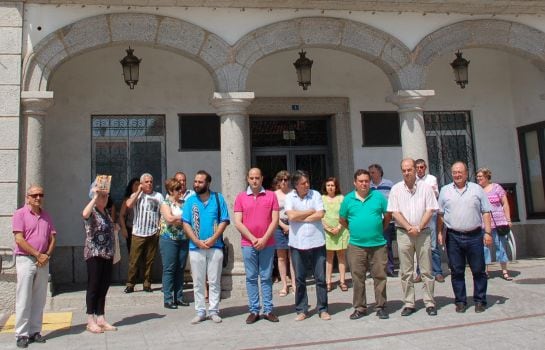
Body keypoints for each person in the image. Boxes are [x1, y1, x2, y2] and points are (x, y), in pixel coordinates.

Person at [438, 161, 493, 313]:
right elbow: (441, 215)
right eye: (454, 172)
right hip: (453, 236)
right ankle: (460, 301)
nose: (457, 175)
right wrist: (440, 232)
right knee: (456, 271)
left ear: (466, 173)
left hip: (475, 235)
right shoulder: (445, 190)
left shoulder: (477, 189)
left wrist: (487, 233)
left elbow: (486, 212)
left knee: (479, 270)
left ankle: (480, 300)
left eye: (460, 172)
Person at [388, 158, 439, 317]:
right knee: (406, 271)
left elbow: (430, 209)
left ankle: (429, 302)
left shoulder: (426, 188)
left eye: (409, 169)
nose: (406, 172)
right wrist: (409, 227)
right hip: (404, 233)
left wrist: (418, 227)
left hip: (422, 232)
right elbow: (394, 212)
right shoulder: (396, 189)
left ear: (415, 170)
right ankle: (409, 303)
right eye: (404, 170)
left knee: (426, 270)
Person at [340, 169, 391, 320]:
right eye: (361, 181)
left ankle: (381, 306)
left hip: (378, 244)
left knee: (380, 276)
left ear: (370, 182)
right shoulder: (348, 199)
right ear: (355, 183)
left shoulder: (378, 197)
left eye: (366, 181)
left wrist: (380, 228)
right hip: (356, 245)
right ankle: (360, 307)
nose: (364, 183)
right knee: (357, 277)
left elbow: (388, 215)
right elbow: (342, 219)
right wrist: (354, 228)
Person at [182, 170, 230, 324]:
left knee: (214, 280)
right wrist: (196, 240)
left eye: (200, 182)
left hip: (215, 246)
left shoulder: (218, 198)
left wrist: (213, 238)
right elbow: (186, 223)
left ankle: (214, 310)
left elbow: (224, 220)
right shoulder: (190, 200)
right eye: (195, 181)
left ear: (208, 183)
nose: (196, 184)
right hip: (195, 247)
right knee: (198, 281)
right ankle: (200, 310)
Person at [12, 185, 56, 348]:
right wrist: (38, 255)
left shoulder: (46, 216)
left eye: (41, 195)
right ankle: (22, 334)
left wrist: (46, 255)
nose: (38, 197)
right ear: (28, 197)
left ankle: (35, 331)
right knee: (24, 297)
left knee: (40, 298)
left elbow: (52, 238)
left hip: (43, 260)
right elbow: (19, 239)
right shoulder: (20, 214)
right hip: (26, 259)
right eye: (34, 195)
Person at [234, 168, 280, 324]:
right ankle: (254, 310)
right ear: (247, 179)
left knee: (267, 277)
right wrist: (254, 239)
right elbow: (237, 222)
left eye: (257, 178)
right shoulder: (240, 197)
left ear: (262, 179)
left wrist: (264, 238)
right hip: (248, 243)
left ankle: (268, 310)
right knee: (251, 277)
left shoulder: (271, 195)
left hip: (267, 243)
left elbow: (274, 220)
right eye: (252, 178)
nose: (254, 180)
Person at [285, 170, 330, 321]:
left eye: (307, 182)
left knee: (321, 278)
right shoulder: (289, 197)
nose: (307, 185)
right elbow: (291, 216)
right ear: (296, 185)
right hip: (297, 243)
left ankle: (322, 308)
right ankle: (302, 309)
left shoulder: (315, 194)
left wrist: (301, 215)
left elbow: (320, 214)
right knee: (299, 278)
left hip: (317, 241)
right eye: (303, 183)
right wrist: (310, 211)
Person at [82, 185, 118, 333]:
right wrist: (95, 197)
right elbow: (84, 214)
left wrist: (115, 227)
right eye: (102, 196)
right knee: (94, 285)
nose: (105, 198)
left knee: (104, 285)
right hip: (94, 253)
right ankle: (90, 319)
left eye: (106, 195)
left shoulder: (106, 213)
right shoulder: (93, 211)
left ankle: (101, 317)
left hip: (107, 253)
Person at [124, 173, 164, 293]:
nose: (149, 184)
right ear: (141, 184)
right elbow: (129, 205)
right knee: (134, 260)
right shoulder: (136, 195)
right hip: (138, 232)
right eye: (146, 182)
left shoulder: (158, 196)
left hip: (152, 232)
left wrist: (160, 226)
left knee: (149, 260)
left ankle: (147, 283)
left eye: (151, 181)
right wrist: (138, 192)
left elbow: (163, 212)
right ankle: (130, 284)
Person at [476, 168, 513, 281]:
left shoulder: (497, 188)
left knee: (500, 245)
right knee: (484, 247)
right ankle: (485, 271)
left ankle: (505, 270)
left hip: (498, 223)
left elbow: (505, 203)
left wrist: (508, 219)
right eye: (477, 177)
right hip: (483, 223)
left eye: (480, 177)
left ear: (487, 177)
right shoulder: (477, 190)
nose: (478, 179)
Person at [159, 178, 191, 309]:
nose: (180, 191)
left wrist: (179, 219)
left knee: (180, 268)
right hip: (168, 239)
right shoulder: (165, 203)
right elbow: (169, 218)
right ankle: (168, 298)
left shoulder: (185, 203)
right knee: (169, 268)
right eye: (177, 189)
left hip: (183, 238)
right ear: (171, 191)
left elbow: (189, 219)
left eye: (181, 188)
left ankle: (179, 297)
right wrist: (181, 219)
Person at [415, 159, 445, 282]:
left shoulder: (431, 178)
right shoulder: (413, 179)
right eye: (417, 167)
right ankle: (419, 273)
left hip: (431, 213)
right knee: (418, 245)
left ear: (425, 167)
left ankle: (437, 271)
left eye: (422, 167)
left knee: (432, 245)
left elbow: (435, 194)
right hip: (418, 214)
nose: (419, 169)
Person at [321, 177, 349, 292]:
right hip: (327, 232)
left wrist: (338, 227)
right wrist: (327, 228)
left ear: (336, 187)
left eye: (332, 185)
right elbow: (320, 215)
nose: (330, 187)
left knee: (341, 256)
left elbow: (345, 214)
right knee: (329, 257)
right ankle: (328, 281)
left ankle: (342, 281)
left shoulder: (341, 198)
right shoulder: (321, 198)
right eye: (328, 185)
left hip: (340, 230)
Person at [368, 164, 396, 277]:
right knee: (372, 246)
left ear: (380, 172)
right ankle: (374, 269)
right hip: (372, 221)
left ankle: (389, 268)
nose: (370, 174)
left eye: (373, 172)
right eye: (370, 172)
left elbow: (394, 200)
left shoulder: (389, 184)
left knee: (387, 244)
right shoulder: (368, 186)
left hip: (386, 220)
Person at [273, 170, 296, 297]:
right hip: (279, 226)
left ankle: (294, 284)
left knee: (293, 257)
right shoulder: (274, 195)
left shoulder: (294, 193)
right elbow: (273, 213)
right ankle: (284, 285)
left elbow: (297, 209)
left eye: (286, 180)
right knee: (281, 257)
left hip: (293, 226)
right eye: (281, 180)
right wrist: (282, 226)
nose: (283, 182)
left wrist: (290, 226)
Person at [119, 178, 139, 253]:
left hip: (143, 230)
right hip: (131, 229)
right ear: (131, 186)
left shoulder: (144, 198)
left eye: (139, 184)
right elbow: (121, 215)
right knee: (132, 253)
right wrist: (124, 229)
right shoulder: (127, 200)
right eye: (136, 184)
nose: (138, 186)